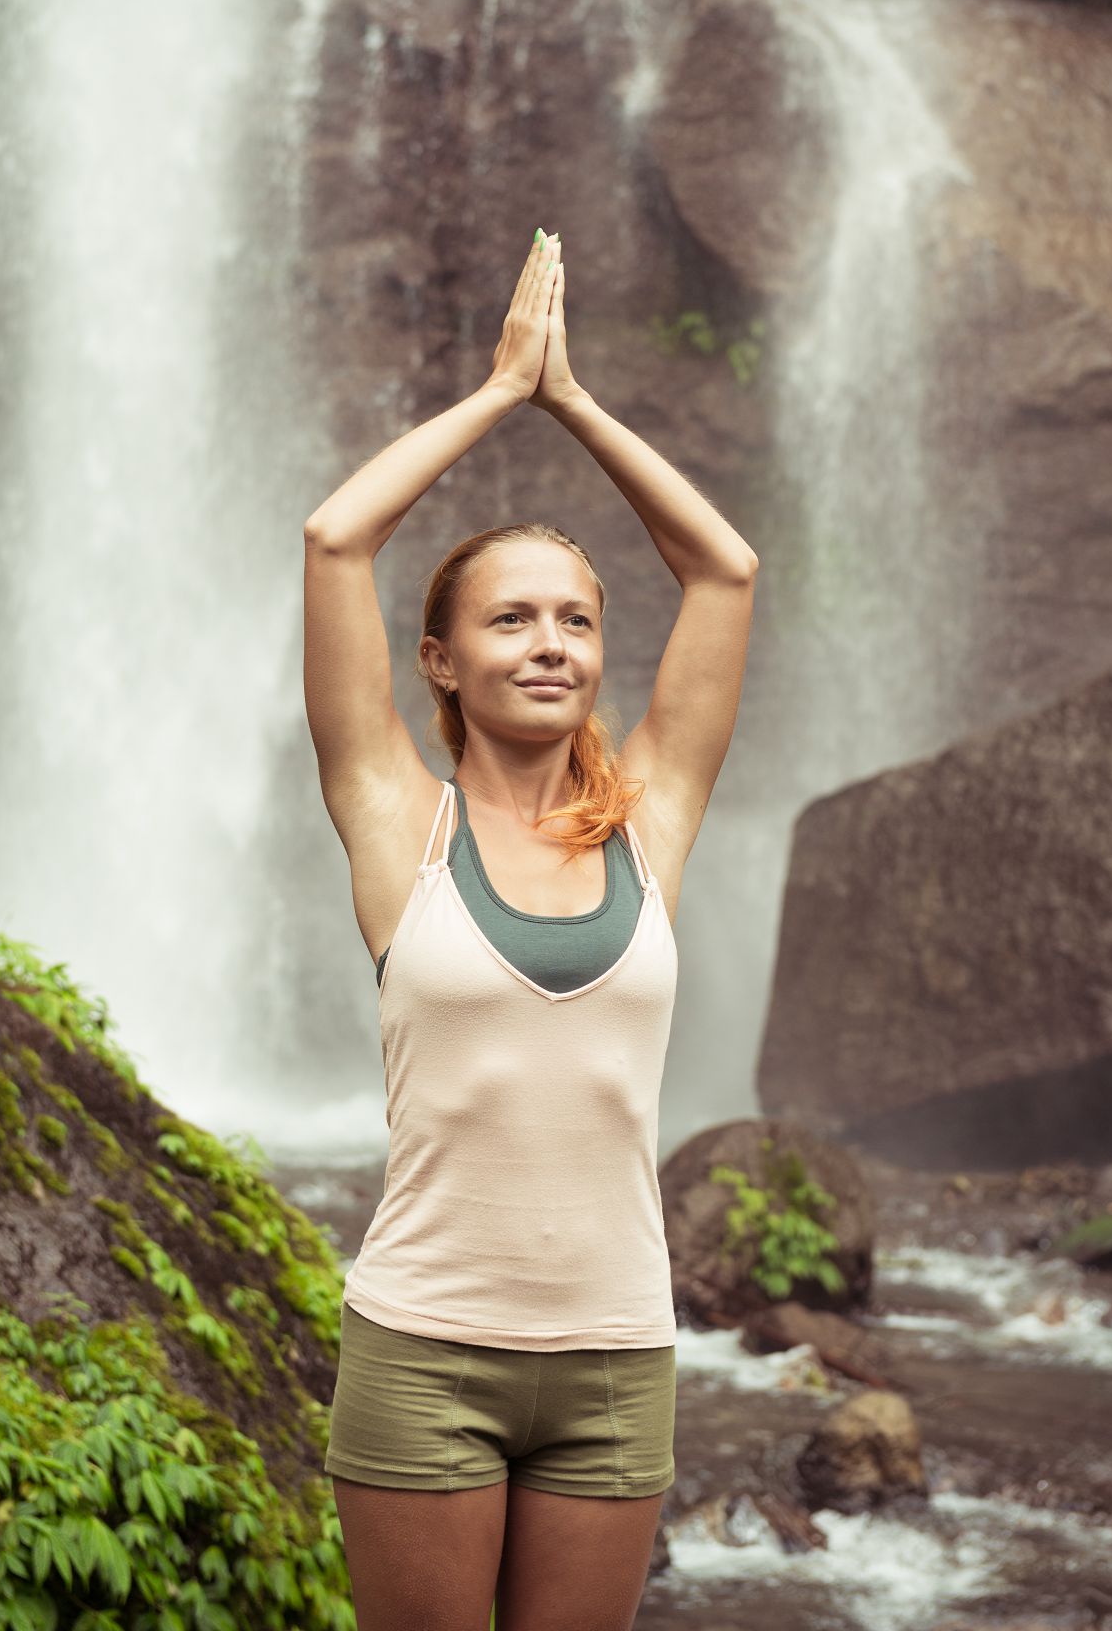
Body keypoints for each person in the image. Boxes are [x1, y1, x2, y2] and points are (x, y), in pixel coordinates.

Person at [302, 227, 758, 1631]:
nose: (551, 642)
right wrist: (502, 393)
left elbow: (727, 571)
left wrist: (577, 401)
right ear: (439, 659)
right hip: (426, 1345)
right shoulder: (400, 823)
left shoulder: (650, 827)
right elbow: (336, 537)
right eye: (510, 619)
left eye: (576, 618)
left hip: (620, 1353)